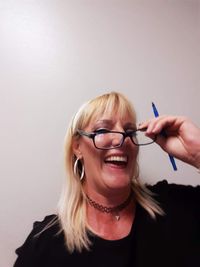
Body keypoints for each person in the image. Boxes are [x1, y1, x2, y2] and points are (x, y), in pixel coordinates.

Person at [14, 91, 200, 267]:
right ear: (77, 147)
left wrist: (198, 153)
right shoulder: (44, 244)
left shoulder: (174, 206)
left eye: (129, 132)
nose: (122, 140)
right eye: (103, 130)